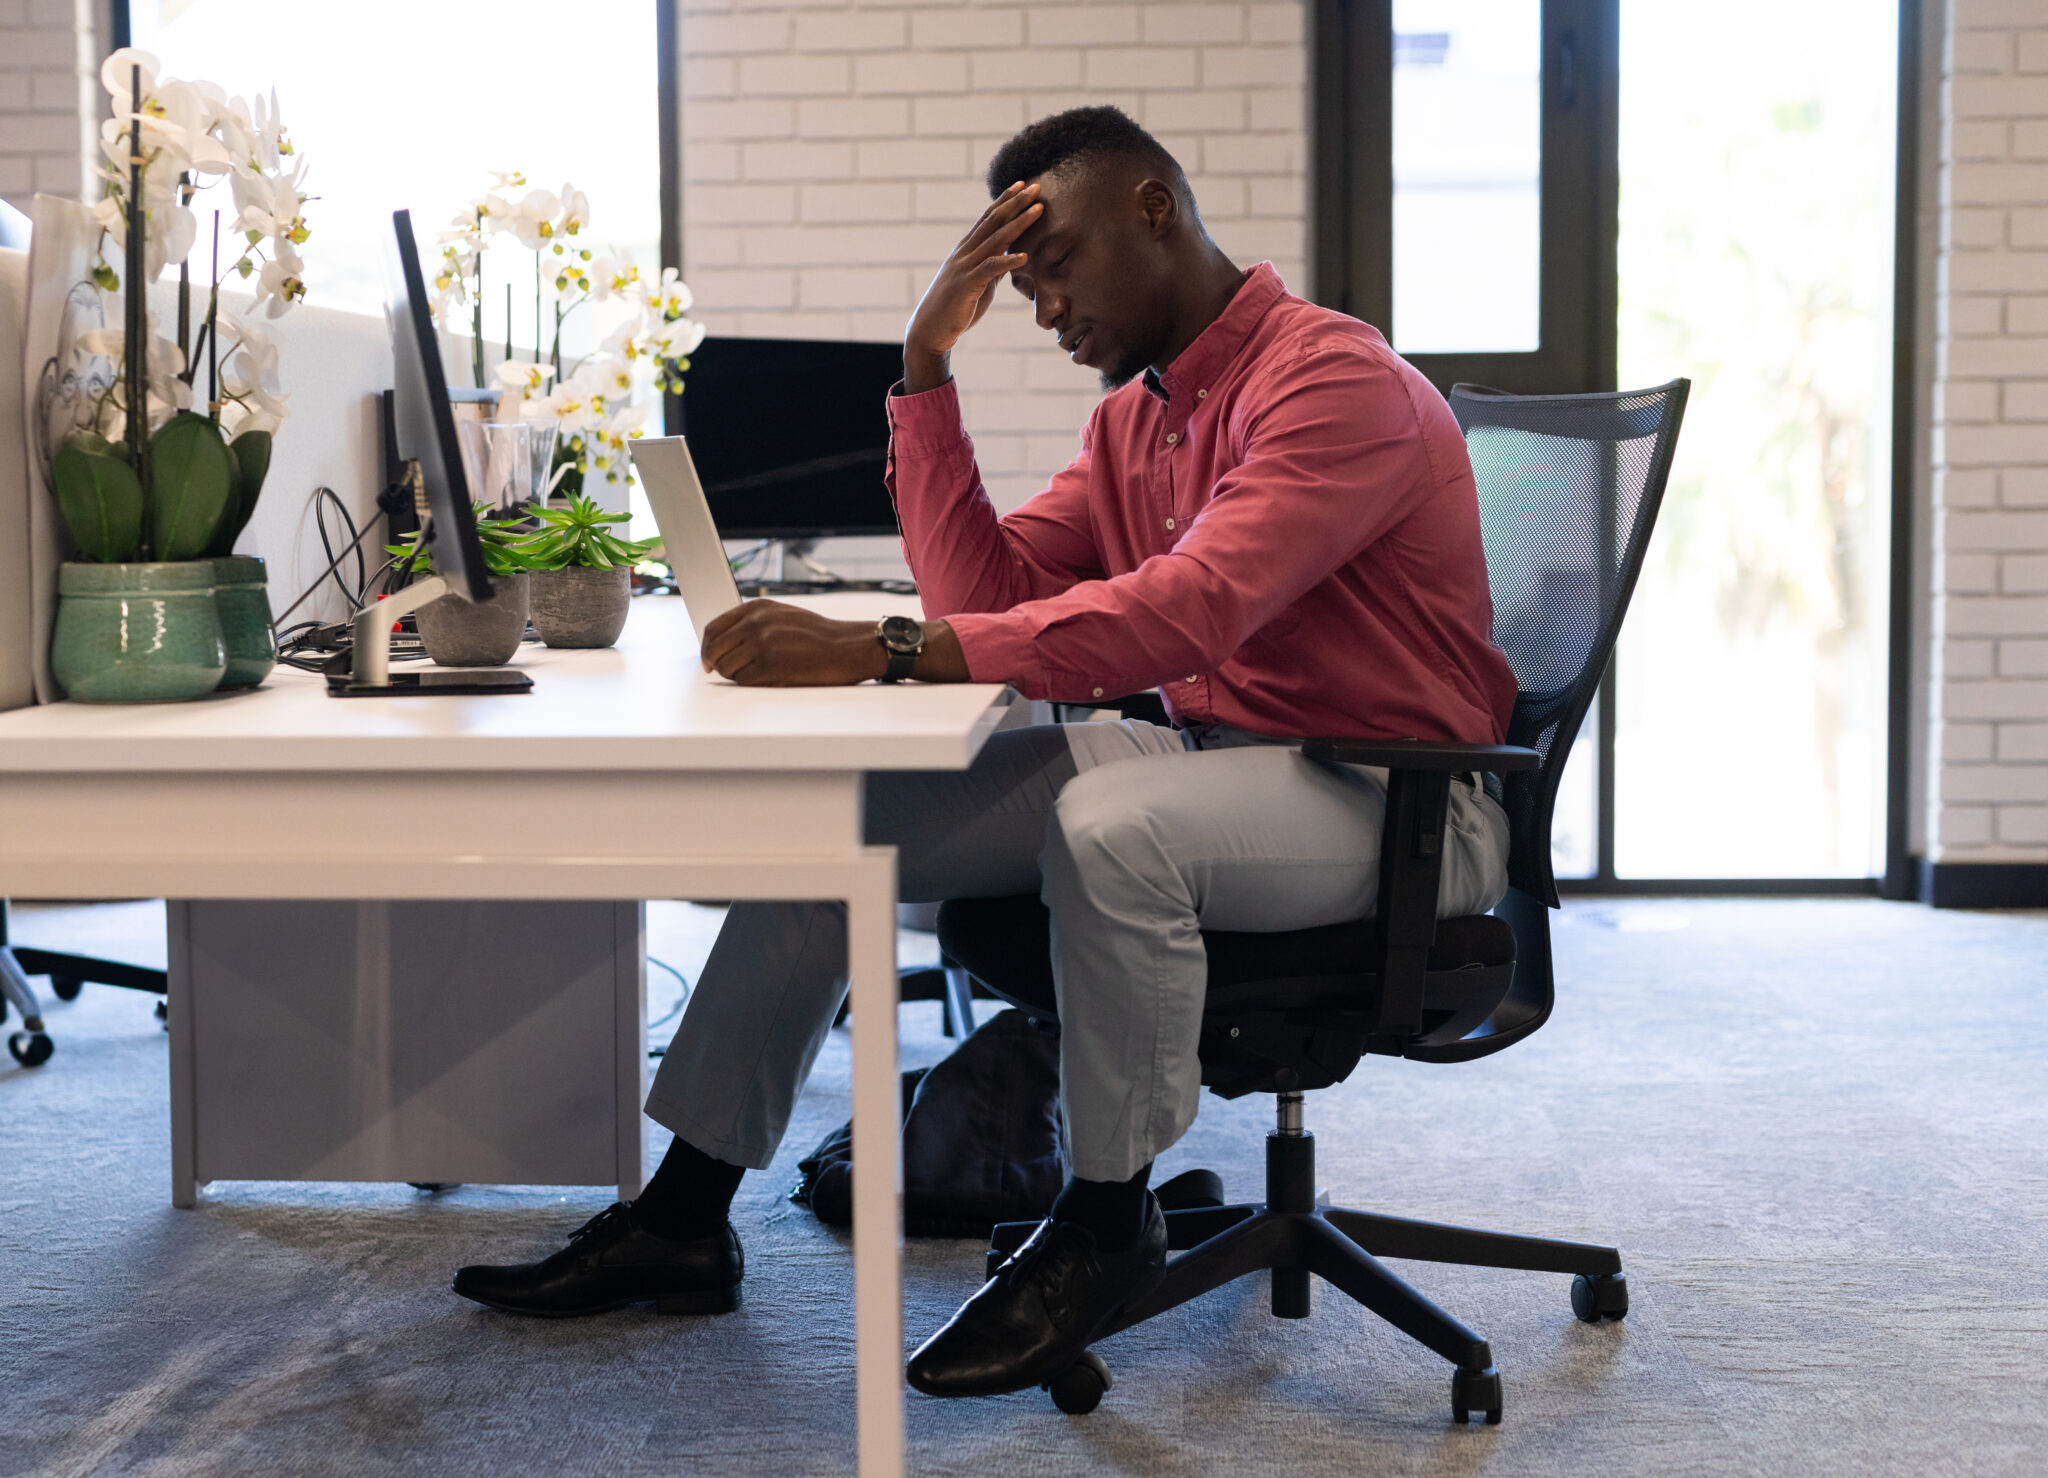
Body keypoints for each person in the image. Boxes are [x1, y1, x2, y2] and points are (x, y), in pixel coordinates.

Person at [452, 106, 1515, 1400]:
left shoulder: (1329, 379)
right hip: (1222, 760)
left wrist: (882, 651)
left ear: (1153, 208)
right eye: (1019, 286)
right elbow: (982, 596)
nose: (1045, 306)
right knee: (840, 819)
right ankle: (684, 1213)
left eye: (1056, 264)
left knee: (1110, 828)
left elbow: (1188, 608)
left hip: (1396, 798)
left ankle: (1107, 1225)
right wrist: (921, 368)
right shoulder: (1138, 425)